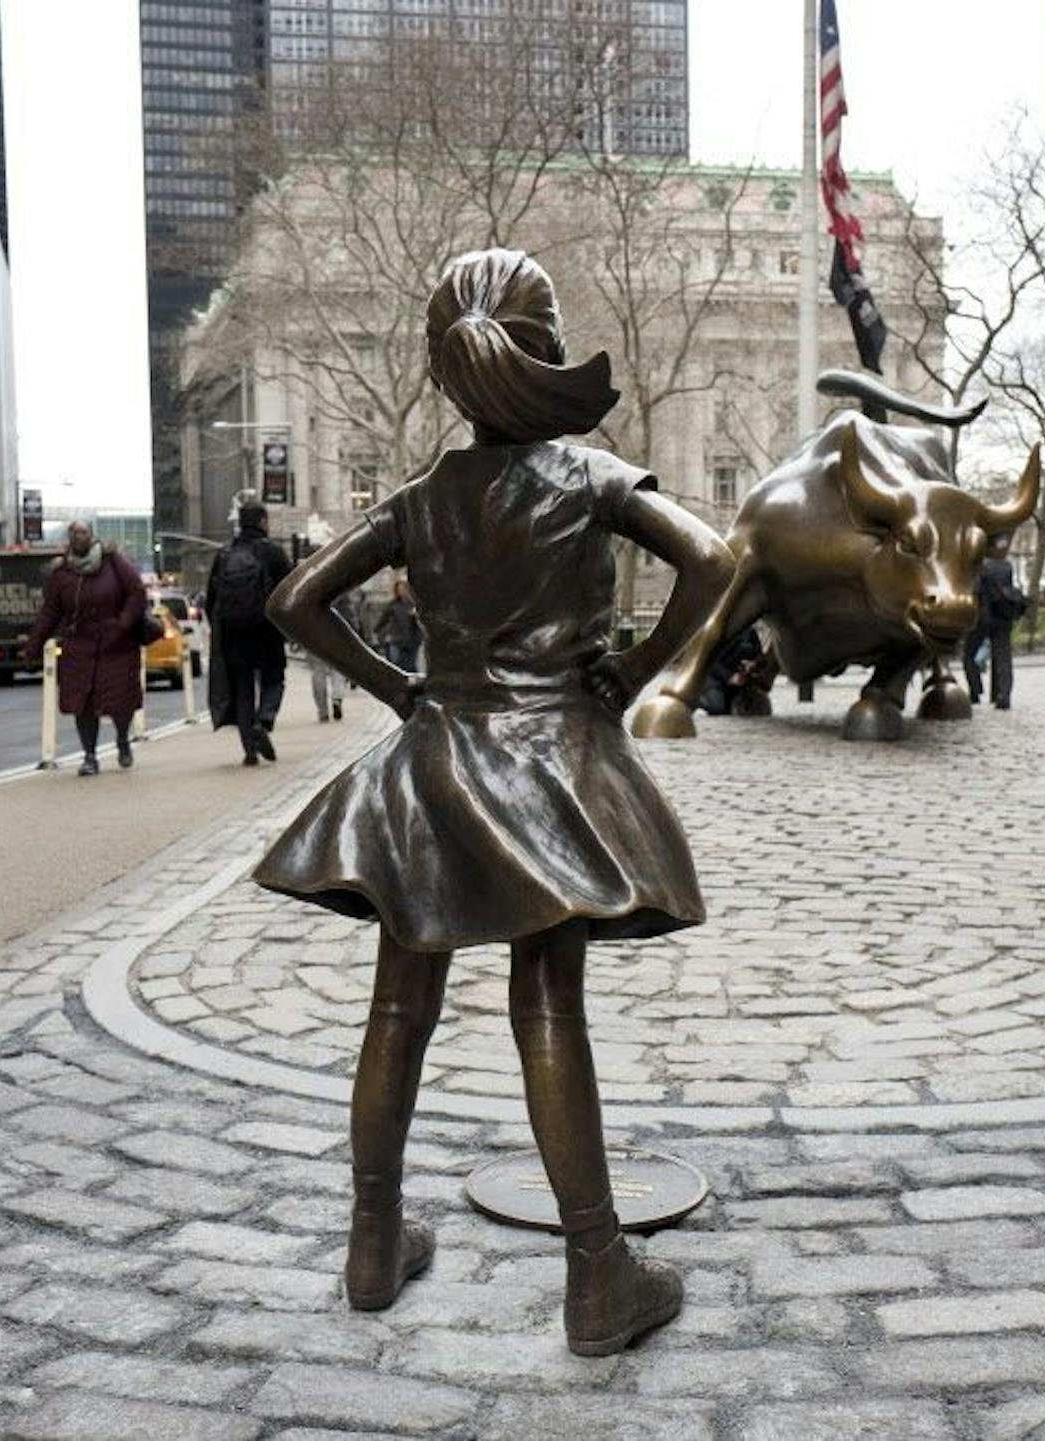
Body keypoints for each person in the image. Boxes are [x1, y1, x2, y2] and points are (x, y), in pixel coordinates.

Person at [255, 249, 731, 1356]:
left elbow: (294, 599)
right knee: (547, 1003)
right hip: (551, 761)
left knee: (397, 1008)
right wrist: (640, 668)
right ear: (547, 348)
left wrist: (399, 690)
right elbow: (712, 559)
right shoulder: (592, 477)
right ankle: (597, 1272)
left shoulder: (423, 498)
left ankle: (373, 1244)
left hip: (431, 764)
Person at [25, 520, 150, 776]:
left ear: (92, 536)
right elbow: (50, 612)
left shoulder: (113, 562)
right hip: (79, 646)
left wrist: (122, 624)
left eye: (82, 532)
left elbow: (136, 593)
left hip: (116, 644)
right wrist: (33, 646)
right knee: (83, 703)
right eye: (73, 533)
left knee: (120, 701)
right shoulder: (62, 573)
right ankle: (90, 756)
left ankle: (123, 740)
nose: (77, 536)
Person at [207, 503, 295, 765]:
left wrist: (219, 629)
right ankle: (264, 720)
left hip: (234, 634)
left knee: (243, 690)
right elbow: (291, 591)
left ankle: (249, 749)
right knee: (274, 680)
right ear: (263, 522)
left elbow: (212, 601)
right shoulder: (274, 553)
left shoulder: (224, 555)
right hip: (266, 631)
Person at [963, 534, 1026, 708]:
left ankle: (975, 691)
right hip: (1003, 617)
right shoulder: (1006, 566)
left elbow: (974, 590)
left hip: (982, 618)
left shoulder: (980, 567)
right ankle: (1003, 695)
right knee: (1003, 657)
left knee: (969, 655)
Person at [311, 590, 361, 722]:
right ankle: (337, 698)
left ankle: (323, 711)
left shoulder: (310, 591)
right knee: (338, 671)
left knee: (318, 673)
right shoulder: (340, 592)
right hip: (336, 637)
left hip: (314, 637)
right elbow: (351, 617)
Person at [373, 578, 422, 673]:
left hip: (413, 640)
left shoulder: (415, 604)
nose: (402, 592)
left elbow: (423, 622)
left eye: (403, 589)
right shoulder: (393, 604)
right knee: (396, 665)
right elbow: (383, 619)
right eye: (399, 590)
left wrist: (415, 616)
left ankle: (413, 686)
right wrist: (376, 632)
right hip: (397, 639)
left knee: (410, 666)